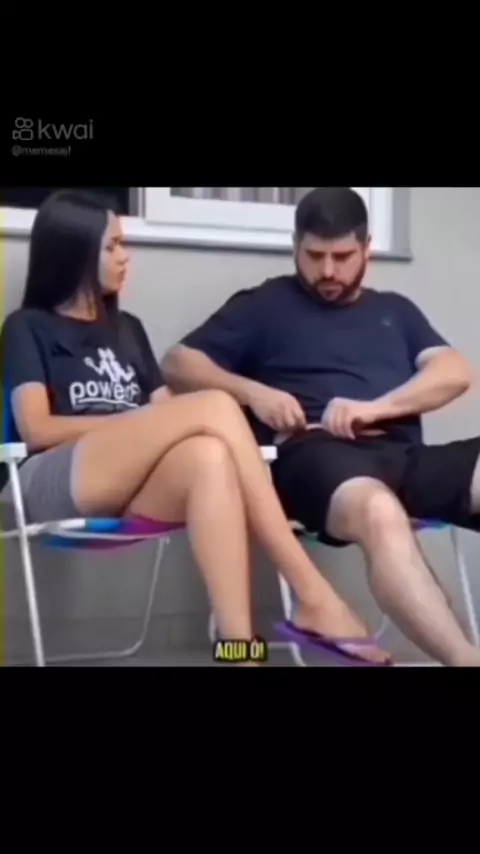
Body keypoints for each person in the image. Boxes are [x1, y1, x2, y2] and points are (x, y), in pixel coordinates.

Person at [0, 188, 392, 667]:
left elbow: (171, 416)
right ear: (76, 251)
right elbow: (36, 429)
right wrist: (134, 422)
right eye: (113, 245)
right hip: (54, 480)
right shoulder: (27, 327)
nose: (125, 255)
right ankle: (314, 594)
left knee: (209, 455)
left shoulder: (128, 330)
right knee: (213, 405)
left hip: (130, 485)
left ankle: (238, 651)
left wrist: (154, 424)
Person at [161, 186, 480, 667]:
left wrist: (374, 409)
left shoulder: (395, 311)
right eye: (314, 256)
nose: (328, 271)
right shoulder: (264, 305)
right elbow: (177, 363)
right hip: (314, 455)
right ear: (295, 247)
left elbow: (454, 372)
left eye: (342, 256)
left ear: (367, 249)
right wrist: (254, 393)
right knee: (377, 509)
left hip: (404, 456)